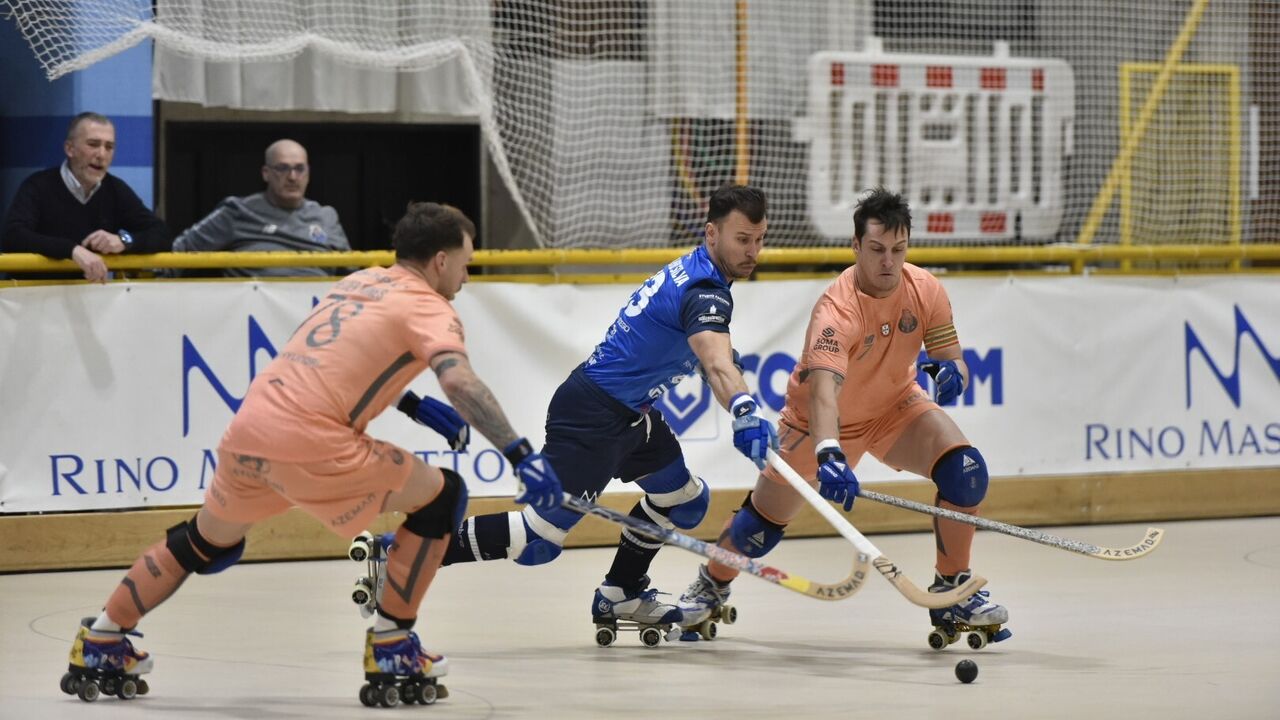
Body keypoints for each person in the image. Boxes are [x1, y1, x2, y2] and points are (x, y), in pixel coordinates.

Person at [60, 202, 562, 704]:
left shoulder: (359, 282)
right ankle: (392, 642)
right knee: (441, 497)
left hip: (250, 432)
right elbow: (459, 379)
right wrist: (520, 454)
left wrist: (413, 405)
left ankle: (102, 637)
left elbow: (335, 361)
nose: (467, 275)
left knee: (203, 541)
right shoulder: (431, 307)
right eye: (465, 262)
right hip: (312, 442)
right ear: (438, 261)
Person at [434, 184, 778, 636]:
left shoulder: (698, 274)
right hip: (592, 416)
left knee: (685, 499)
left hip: (632, 416)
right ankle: (405, 550)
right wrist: (745, 407)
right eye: (742, 240)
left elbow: (712, 358)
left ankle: (621, 591)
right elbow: (715, 362)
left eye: (758, 239)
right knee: (538, 539)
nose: (752, 251)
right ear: (711, 233)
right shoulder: (705, 290)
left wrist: (737, 395)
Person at [676, 188, 1009, 642]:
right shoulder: (836, 309)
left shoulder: (926, 289)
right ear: (856, 246)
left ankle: (953, 586)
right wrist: (830, 452)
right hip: (815, 424)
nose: (888, 261)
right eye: (876, 250)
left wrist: (955, 373)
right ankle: (711, 585)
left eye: (898, 249)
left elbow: (955, 358)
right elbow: (823, 396)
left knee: (966, 471)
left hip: (895, 407)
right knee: (762, 525)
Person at [1, 112, 169, 282]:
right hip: (31, 297)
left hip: (86, 299)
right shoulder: (38, 185)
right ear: (69, 149)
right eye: (93, 144)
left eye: (109, 147)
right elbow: (14, 236)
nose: (101, 154)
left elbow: (161, 234)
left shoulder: (115, 190)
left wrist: (124, 241)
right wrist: (72, 250)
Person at [171, 139, 350, 277]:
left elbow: (353, 273)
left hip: (319, 316)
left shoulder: (326, 216)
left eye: (299, 168)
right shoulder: (237, 211)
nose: (293, 177)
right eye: (282, 168)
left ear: (308, 174)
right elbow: (179, 251)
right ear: (266, 173)